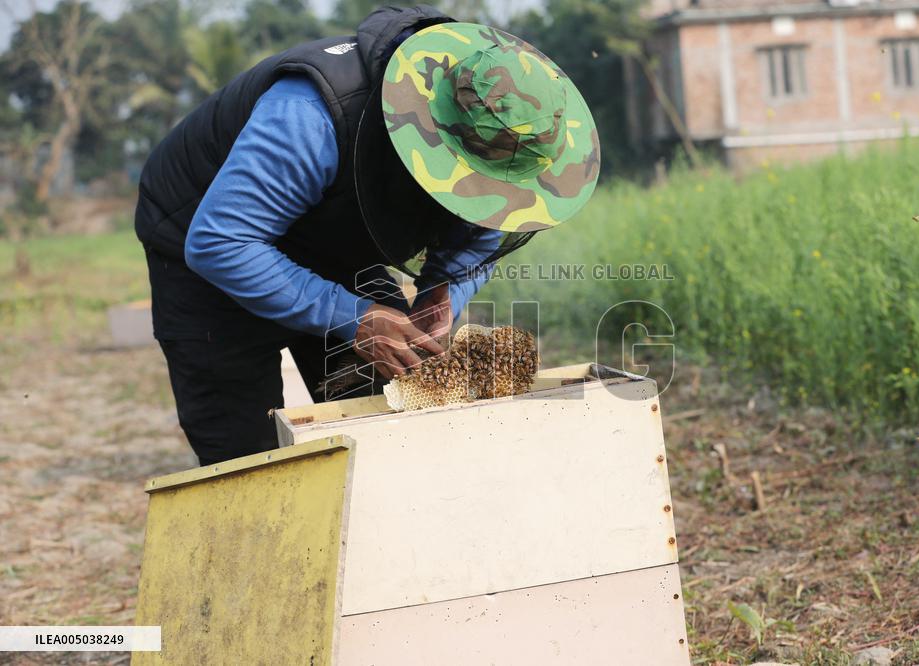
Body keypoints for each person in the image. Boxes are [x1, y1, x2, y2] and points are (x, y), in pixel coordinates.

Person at [135, 5, 601, 466]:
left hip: (335, 241)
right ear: (431, 132)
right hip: (210, 245)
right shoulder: (309, 115)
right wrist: (354, 317)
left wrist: (444, 291)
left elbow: (485, 222)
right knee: (245, 455)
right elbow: (221, 242)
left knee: (394, 416)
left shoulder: (501, 148)